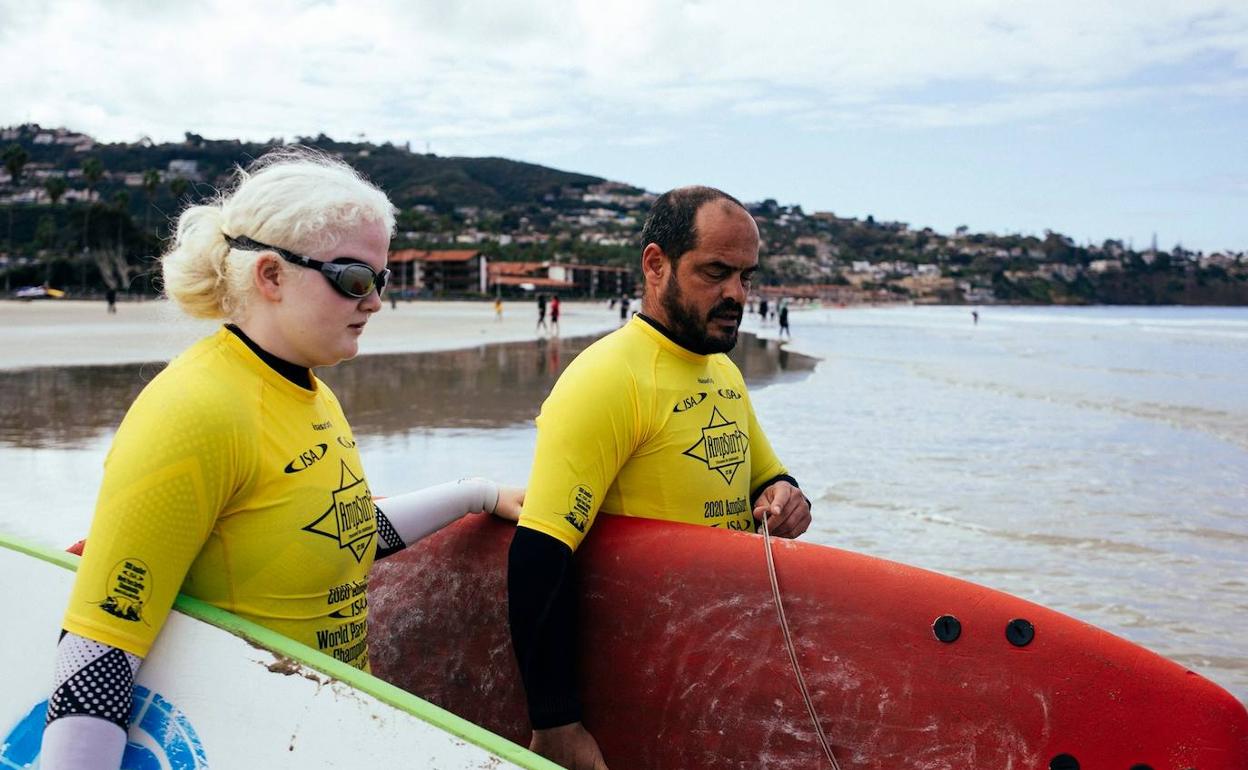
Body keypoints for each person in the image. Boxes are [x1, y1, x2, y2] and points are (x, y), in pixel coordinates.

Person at [40, 148, 523, 770]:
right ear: (270, 275)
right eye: (355, 278)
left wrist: (476, 493)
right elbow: (99, 647)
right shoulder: (195, 409)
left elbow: (345, 532)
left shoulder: (311, 393)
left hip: (329, 735)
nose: (375, 301)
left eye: (383, 279)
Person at [507, 186, 812, 769]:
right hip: (637, 678)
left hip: (718, 664)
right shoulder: (607, 378)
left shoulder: (722, 370)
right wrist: (556, 721)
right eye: (716, 272)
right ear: (656, 264)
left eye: (746, 276)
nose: (735, 294)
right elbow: (539, 553)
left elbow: (764, 477)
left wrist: (786, 497)